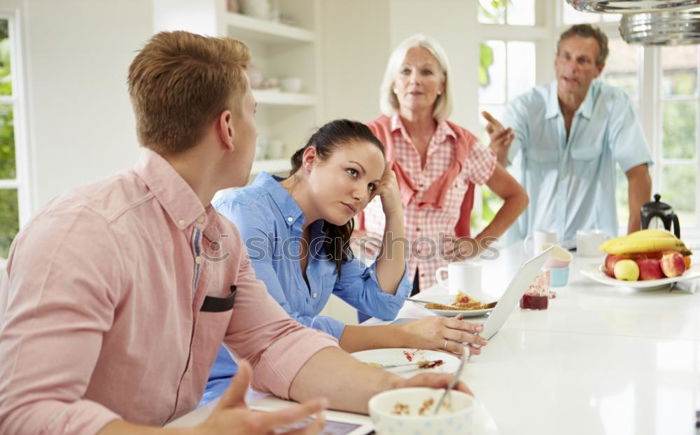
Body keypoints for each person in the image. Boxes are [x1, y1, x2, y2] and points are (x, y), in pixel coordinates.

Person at [0, 31, 469, 435]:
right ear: (228, 127)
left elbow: (275, 341)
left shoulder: (219, 236)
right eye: (254, 113)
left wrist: (392, 393)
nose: (256, 131)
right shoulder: (81, 232)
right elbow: (24, 424)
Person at [204, 119, 488, 405]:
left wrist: (395, 213)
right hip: (229, 393)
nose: (361, 195)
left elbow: (380, 302)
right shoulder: (245, 212)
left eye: (371, 187)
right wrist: (403, 334)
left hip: (286, 386)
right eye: (353, 173)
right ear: (311, 159)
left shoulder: (325, 230)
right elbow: (283, 332)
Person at [356, 34, 528, 294]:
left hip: (442, 281)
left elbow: (517, 197)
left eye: (427, 72)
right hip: (377, 279)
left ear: (441, 84)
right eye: (405, 71)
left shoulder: (464, 144)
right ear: (394, 83)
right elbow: (332, 194)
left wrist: (479, 244)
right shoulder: (368, 139)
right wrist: (349, 235)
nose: (415, 80)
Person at [489, 24, 652, 247]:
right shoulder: (525, 108)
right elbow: (498, 167)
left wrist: (633, 245)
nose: (571, 67)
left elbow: (638, 173)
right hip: (531, 248)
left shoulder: (614, 104)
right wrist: (497, 153)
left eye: (583, 60)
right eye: (566, 57)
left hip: (593, 250)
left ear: (599, 69)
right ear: (556, 62)